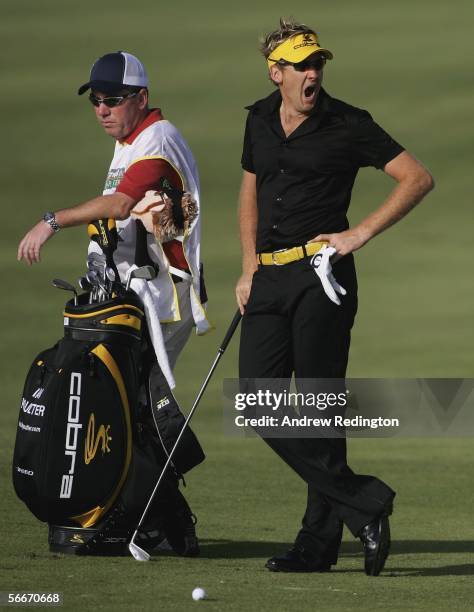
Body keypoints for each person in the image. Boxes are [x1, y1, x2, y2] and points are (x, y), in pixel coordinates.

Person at [235, 19, 434, 575]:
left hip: (324, 275)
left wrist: (358, 234)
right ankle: (364, 501)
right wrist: (249, 265)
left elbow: (416, 178)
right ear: (276, 73)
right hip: (269, 278)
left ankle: (317, 546)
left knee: (320, 409)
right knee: (257, 402)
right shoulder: (257, 120)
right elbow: (250, 189)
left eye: (316, 62)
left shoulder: (348, 124)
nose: (312, 72)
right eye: (300, 64)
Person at [17, 50, 210, 555]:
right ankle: (154, 521)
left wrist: (52, 220)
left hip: (160, 299)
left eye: (113, 99)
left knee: (137, 413)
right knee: (132, 412)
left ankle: (158, 523)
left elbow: (122, 205)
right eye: (96, 100)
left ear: (141, 98)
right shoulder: (129, 141)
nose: (102, 109)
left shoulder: (156, 141)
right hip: (133, 298)